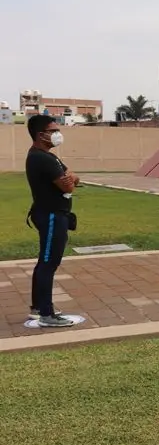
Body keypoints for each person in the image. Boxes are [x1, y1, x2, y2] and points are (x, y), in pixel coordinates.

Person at [25, 114, 79, 327]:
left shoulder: (48, 156)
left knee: (45, 262)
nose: (58, 134)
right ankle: (47, 315)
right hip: (51, 216)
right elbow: (68, 185)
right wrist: (70, 180)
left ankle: (39, 307)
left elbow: (73, 177)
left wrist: (71, 178)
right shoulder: (41, 158)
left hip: (55, 215)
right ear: (41, 135)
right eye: (53, 131)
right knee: (48, 264)